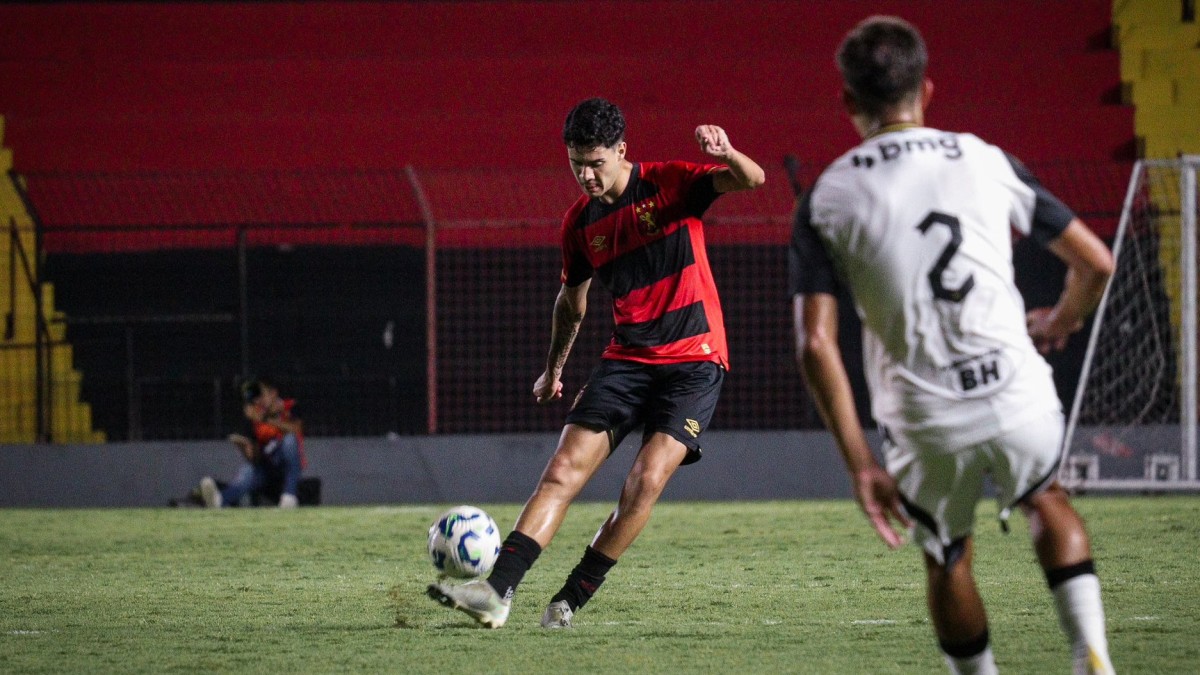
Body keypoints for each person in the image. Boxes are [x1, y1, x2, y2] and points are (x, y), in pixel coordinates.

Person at [790, 17, 1117, 675]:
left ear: (849, 103)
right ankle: (1090, 653)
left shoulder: (829, 195)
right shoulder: (984, 158)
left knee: (946, 553)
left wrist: (859, 462)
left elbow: (815, 344)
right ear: (927, 90)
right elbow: (1098, 263)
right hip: (1013, 387)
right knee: (1046, 497)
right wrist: (1058, 318)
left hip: (924, 415)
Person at [427, 97, 765, 629]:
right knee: (562, 471)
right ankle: (495, 593)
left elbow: (751, 179)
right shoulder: (580, 224)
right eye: (575, 162)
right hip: (627, 359)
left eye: (596, 162)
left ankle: (572, 596)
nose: (585, 174)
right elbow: (572, 304)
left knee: (643, 482)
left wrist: (728, 153)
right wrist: (554, 370)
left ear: (622, 151)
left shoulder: (668, 184)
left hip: (694, 362)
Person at [200, 377, 305, 509]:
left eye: (261, 394)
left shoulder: (290, 406)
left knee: (289, 440)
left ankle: (289, 497)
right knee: (247, 472)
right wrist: (243, 447)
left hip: (286, 467)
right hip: (266, 469)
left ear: (273, 393)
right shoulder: (254, 419)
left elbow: (296, 430)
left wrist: (265, 419)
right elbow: (255, 458)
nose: (257, 400)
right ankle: (219, 500)